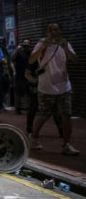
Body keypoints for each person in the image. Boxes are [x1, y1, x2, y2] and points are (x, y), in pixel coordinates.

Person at [28, 23, 79, 155]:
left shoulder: (65, 44)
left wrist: (65, 48)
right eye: (50, 30)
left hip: (64, 86)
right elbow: (31, 60)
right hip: (46, 86)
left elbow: (75, 59)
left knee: (66, 115)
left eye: (56, 30)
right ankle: (34, 138)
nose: (53, 32)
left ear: (60, 31)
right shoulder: (41, 43)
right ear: (46, 32)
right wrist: (43, 47)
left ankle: (66, 144)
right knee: (43, 114)